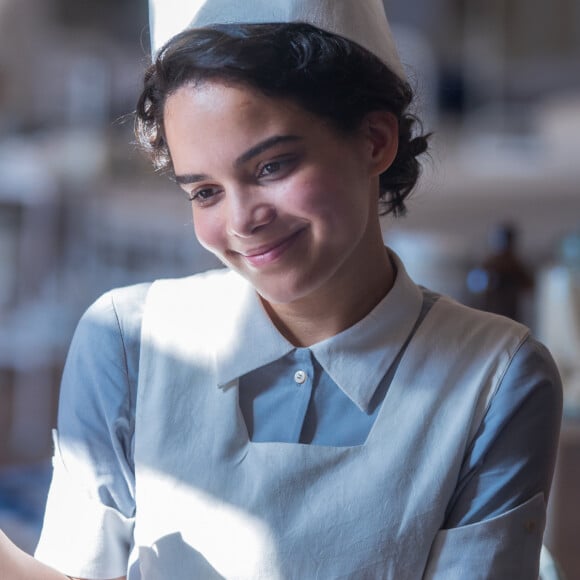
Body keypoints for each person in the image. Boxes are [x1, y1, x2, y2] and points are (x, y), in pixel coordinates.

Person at [0, 1, 562, 578]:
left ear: (374, 139)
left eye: (272, 167)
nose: (242, 221)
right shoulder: (126, 342)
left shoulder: (497, 379)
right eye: (205, 192)